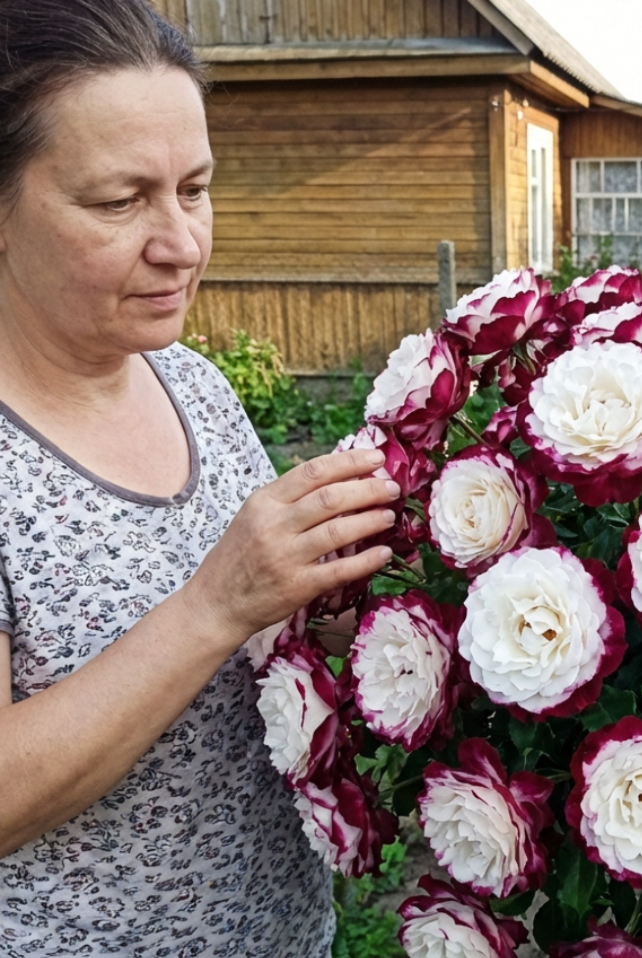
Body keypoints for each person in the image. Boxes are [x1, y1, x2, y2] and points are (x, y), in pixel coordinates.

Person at [0, 1, 397, 954]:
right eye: (119, 201)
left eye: (195, 188)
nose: (180, 242)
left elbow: (263, 616)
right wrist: (216, 605)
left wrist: (336, 608)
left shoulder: (193, 384)